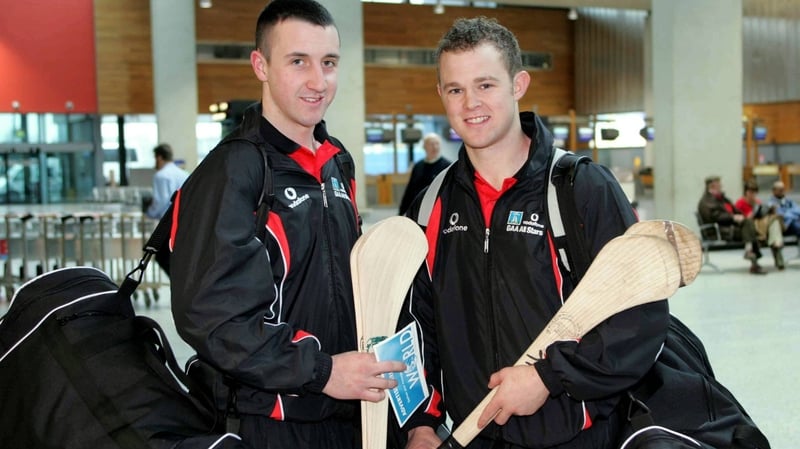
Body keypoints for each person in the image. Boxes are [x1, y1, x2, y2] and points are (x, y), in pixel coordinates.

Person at [399, 17, 670, 449]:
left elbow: (639, 319)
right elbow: (415, 325)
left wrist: (547, 377)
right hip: (473, 436)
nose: (471, 102)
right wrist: (422, 424)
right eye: (455, 89)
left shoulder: (581, 189)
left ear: (518, 84)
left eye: (485, 85)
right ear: (441, 96)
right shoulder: (431, 204)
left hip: (579, 435)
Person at [168, 1, 405, 448]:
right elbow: (211, 318)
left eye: (329, 63)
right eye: (298, 62)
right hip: (269, 420)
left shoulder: (336, 163)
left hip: (346, 412)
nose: (319, 82)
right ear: (261, 65)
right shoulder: (234, 169)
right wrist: (322, 370)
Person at [698, 175, 767, 274]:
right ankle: (752, 259)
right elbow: (715, 217)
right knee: (750, 230)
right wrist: (733, 217)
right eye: (719, 185)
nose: (721, 186)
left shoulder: (721, 198)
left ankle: (750, 252)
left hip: (728, 227)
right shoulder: (706, 202)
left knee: (748, 224)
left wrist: (740, 215)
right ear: (712, 186)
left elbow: (734, 209)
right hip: (718, 230)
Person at [735, 179, 785, 269]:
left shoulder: (757, 202)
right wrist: (750, 215)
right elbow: (742, 221)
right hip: (752, 228)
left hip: (763, 225)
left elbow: (762, 214)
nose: (753, 195)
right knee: (773, 222)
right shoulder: (740, 203)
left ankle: (776, 243)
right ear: (746, 192)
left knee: (774, 220)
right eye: (751, 192)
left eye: (755, 192)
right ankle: (777, 243)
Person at [398, 133, 451, 215]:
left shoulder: (447, 166)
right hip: (418, 209)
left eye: (437, 144)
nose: (435, 147)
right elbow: (410, 190)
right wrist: (401, 212)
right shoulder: (418, 166)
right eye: (431, 144)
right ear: (424, 147)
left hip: (437, 210)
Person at [144, 143, 189, 219]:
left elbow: (160, 201)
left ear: (159, 158)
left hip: (168, 219)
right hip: (183, 217)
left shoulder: (161, 175)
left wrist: (149, 214)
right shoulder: (184, 174)